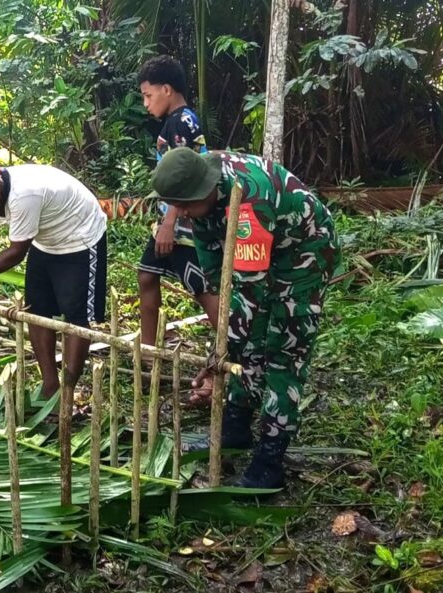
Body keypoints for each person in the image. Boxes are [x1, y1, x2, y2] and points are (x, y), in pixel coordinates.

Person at [149, 147, 339, 489]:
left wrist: (220, 354)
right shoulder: (198, 182)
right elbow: (215, 270)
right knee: (249, 345)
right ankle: (236, 427)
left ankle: (269, 462)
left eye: (186, 206)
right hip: (264, 250)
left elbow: (249, 292)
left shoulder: (250, 200)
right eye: (178, 206)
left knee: (283, 352)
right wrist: (226, 343)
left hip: (303, 254)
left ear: (206, 190)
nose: (183, 214)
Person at [0, 156, 108, 400]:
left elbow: (16, 253)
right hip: (45, 240)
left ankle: (67, 394)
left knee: (75, 317)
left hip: (80, 236)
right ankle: (50, 387)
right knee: (36, 310)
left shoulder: (24, 194)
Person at [136, 55, 219, 347]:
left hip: (183, 220)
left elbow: (184, 180)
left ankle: (230, 349)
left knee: (200, 286)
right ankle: (148, 349)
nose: (146, 104)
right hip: (171, 218)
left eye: (148, 95)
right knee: (147, 275)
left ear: (167, 89)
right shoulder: (178, 121)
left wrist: (169, 223)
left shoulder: (181, 123)